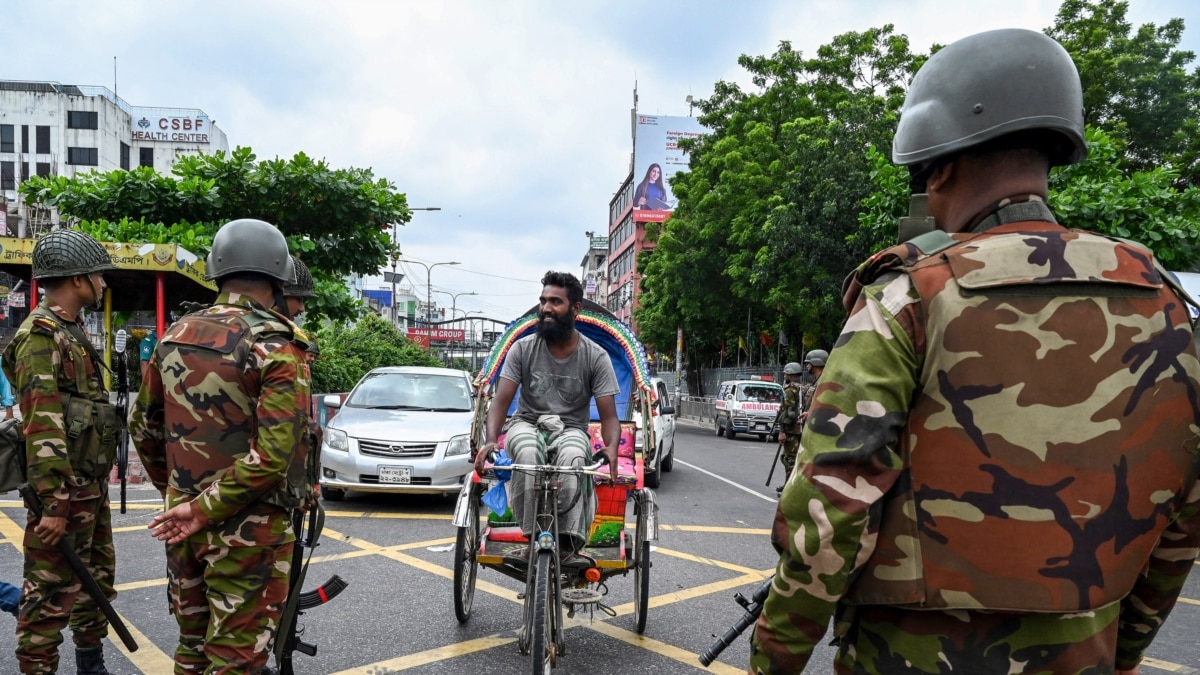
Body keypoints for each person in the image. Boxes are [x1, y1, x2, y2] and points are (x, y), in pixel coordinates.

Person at [751, 28, 1200, 675]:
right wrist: (1121, 646)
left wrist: (774, 660)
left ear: (941, 163)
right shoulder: (1164, 303)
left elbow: (830, 507)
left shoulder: (911, 295)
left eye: (922, 177)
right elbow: (1185, 510)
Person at [129, 218, 312, 674]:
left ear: (217, 271)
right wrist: (204, 507)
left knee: (192, 647)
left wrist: (182, 496)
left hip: (183, 521)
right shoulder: (275, 346)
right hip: (249, 531)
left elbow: (142, 427)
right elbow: (273, 458)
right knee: (235, 658)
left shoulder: (175, 334)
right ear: (278, 276)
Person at [3, 228, 119, 674]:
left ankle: (91, 664)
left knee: (96, 584)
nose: (103, 283)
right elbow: (41, 420)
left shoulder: (70, 332)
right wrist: (53, 501)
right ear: (77, 280)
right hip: (63, 493)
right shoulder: (40, 337)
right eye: (98, 275)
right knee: (48, 596)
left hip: (85, 486)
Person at [472, 271, 621, 564]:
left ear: (575, 309)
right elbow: (501, 402)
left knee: (576, 457)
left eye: (556, 301)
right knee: (527, 453)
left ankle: (567, 545)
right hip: (526, 423)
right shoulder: (522, 348)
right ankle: (531, 537)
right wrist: (490, 441)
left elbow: (609, 416)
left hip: (571, 428)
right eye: (543, 301)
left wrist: (612, 448)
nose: (546, 308)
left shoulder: (596, 356)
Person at [773, 362, 803, 495]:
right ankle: (788, 485)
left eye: (786, 374)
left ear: (790, 375)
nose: (785, 376)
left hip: (791, 430)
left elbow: (788, 412)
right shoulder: (802, 388)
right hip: (800, 429)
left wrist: (782, 431)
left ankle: (789, 489)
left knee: (789, 459)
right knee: (791, 458)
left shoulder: (790, 390)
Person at [796, 348, 826, 427]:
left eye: (809, 363)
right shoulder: (816, 381)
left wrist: (810, 413)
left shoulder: (824, 381)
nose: (807, 366)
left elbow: (824, 404)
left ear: (816, 363)